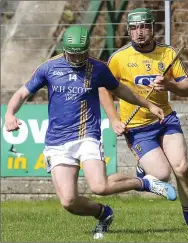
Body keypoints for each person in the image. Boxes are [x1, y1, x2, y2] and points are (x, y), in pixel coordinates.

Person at [4, 25, 177, 240]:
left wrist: (148, 105)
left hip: (87, 136)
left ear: (88, 49)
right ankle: (103, 213)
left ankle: (146, 183)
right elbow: (22, 93)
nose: (77, 59)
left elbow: (120, 90)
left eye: (82, 54)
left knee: (100, 186)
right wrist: (10, 114)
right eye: (73, 54)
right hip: (57, 142)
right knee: (69, 201)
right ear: (64, 49)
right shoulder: (48, 68)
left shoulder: (97, 69)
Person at [99, 8, 188, 227]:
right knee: (162, 175)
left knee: (182, 167)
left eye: (144, 27)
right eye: (134, 28)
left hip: (165, 119)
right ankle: (143, 171)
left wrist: (169, 84)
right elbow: (103, 89)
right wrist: (113, 119)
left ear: (153, 29)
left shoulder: (167, 53)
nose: (139, 32)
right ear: (128, 30)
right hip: (137, 128)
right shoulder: (118, 58)